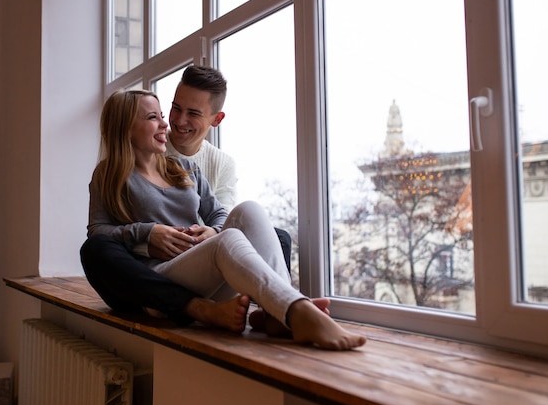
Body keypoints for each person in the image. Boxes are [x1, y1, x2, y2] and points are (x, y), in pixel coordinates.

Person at [83, 89, 366, 350]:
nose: (164, 124)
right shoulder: (109, 176)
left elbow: (219, 213)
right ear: (125, 128)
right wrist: (148, 234)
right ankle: (297, 311)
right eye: (152, 117)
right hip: (163, 283)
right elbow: (97, 233)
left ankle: (277, 313)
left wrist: (213, 229)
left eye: (160, 115)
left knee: (248, 210)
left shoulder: (183, 168)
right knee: (229, 239)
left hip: (209, 274)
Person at [164, 65, 293, 271]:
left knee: (280, 238)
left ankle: (281, 302)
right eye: (176, 107)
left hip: (203, 244)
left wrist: (213, 232)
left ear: (217, 119)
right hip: (165, 246)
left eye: (193, 113)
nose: (180, 120)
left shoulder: (223, 163)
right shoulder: (149, 149)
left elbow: (222, 215)